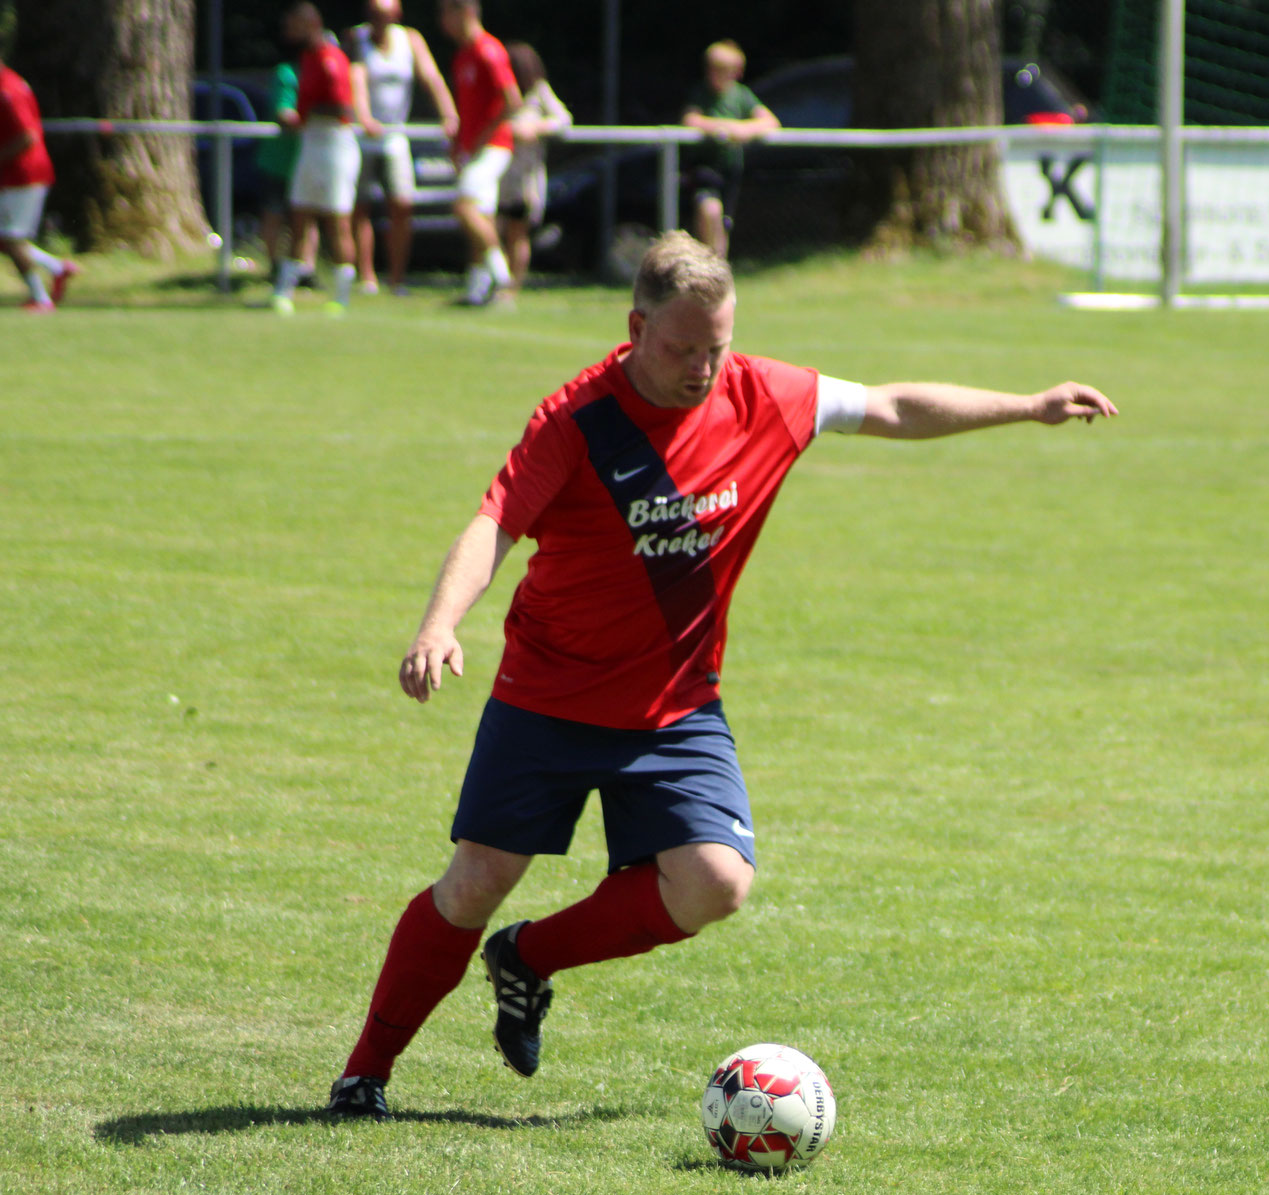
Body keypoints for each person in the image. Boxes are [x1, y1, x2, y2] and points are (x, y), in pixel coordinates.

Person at [325, 231, 1116, 1120]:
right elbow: (496, 520)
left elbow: (893, 406)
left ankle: (528, 957)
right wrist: (440, 624)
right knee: (473, 882)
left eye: (718, 345)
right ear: (635, 326)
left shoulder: (765, 395)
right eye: (680, 347)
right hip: (549, 695)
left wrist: (1030, 404)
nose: (702, 367)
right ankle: (365, 1073)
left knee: (714, 882)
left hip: (674, 706)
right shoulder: (578, 420)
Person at [271, 2, 382, 317]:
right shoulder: (306, 59)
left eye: (293, 25)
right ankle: (284, 290)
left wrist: (301, 117)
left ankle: (342, 294)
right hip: (311, 142)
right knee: (299, 214)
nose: (288, 32)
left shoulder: (330, 58)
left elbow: (340, 107)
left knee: (337, 221)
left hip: (334, 143)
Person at [348, 0, 457, 296]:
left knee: (401, 204)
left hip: (395, 136)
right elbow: (355, 80)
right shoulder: (356, 38)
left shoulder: (410, 39)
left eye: (383, 15)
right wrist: (365, 117)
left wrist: (448, 113)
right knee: (360, 208)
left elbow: (431, 77)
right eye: (372, 14)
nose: (377, 20)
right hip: (362, 137)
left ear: (396, 15)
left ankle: (397, 278)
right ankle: (366, 276)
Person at [439, 0, 520, 306]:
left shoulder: (489, 50)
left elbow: (511, 101)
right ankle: (477, 291)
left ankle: (501, 275)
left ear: (466, 12)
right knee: (481, 218)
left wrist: (482, 138)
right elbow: (467, 110)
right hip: (473, 149)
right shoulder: (462, 56)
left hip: (494, 146)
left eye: (447, 12)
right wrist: (459, 143)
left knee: (464, 207)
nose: (443, 20)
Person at [679, 41, 779, 258]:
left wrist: (741, 129)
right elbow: (690, 120)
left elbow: (770, 122)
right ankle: (705, 263)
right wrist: (718, 128)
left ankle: (718, 270)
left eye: (725, 71)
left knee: (723, 225)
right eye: (714, 69)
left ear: (737, 71)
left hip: (730, 168)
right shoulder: (701, 93)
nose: (717, 75)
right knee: (710, 210)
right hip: (704, 168)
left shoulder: (741, 95)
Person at [0, 56, 78, 312]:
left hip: (24, 176)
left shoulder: (7, 89)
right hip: (15, 176)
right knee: (6, 240)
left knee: (11, 239)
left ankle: (40, 298)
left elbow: (27, 136)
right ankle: (57, 268)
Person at [495, 41, 568, 292]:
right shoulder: (499, 88)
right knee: (494, 233)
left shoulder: (539, 93)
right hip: (498, 175)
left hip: (523, 180)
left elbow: (562, 119)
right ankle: (491, 283)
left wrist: (536, 128)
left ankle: (511, 288)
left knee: (517, 234)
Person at [254, 48, 317, 288]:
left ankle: (306, 270)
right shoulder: (287, 73)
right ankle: (275, 267)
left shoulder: (321, 73)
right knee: (274, 214)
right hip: (279, 162)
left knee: (308, 216)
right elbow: (284, 113)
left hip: (307, 159)